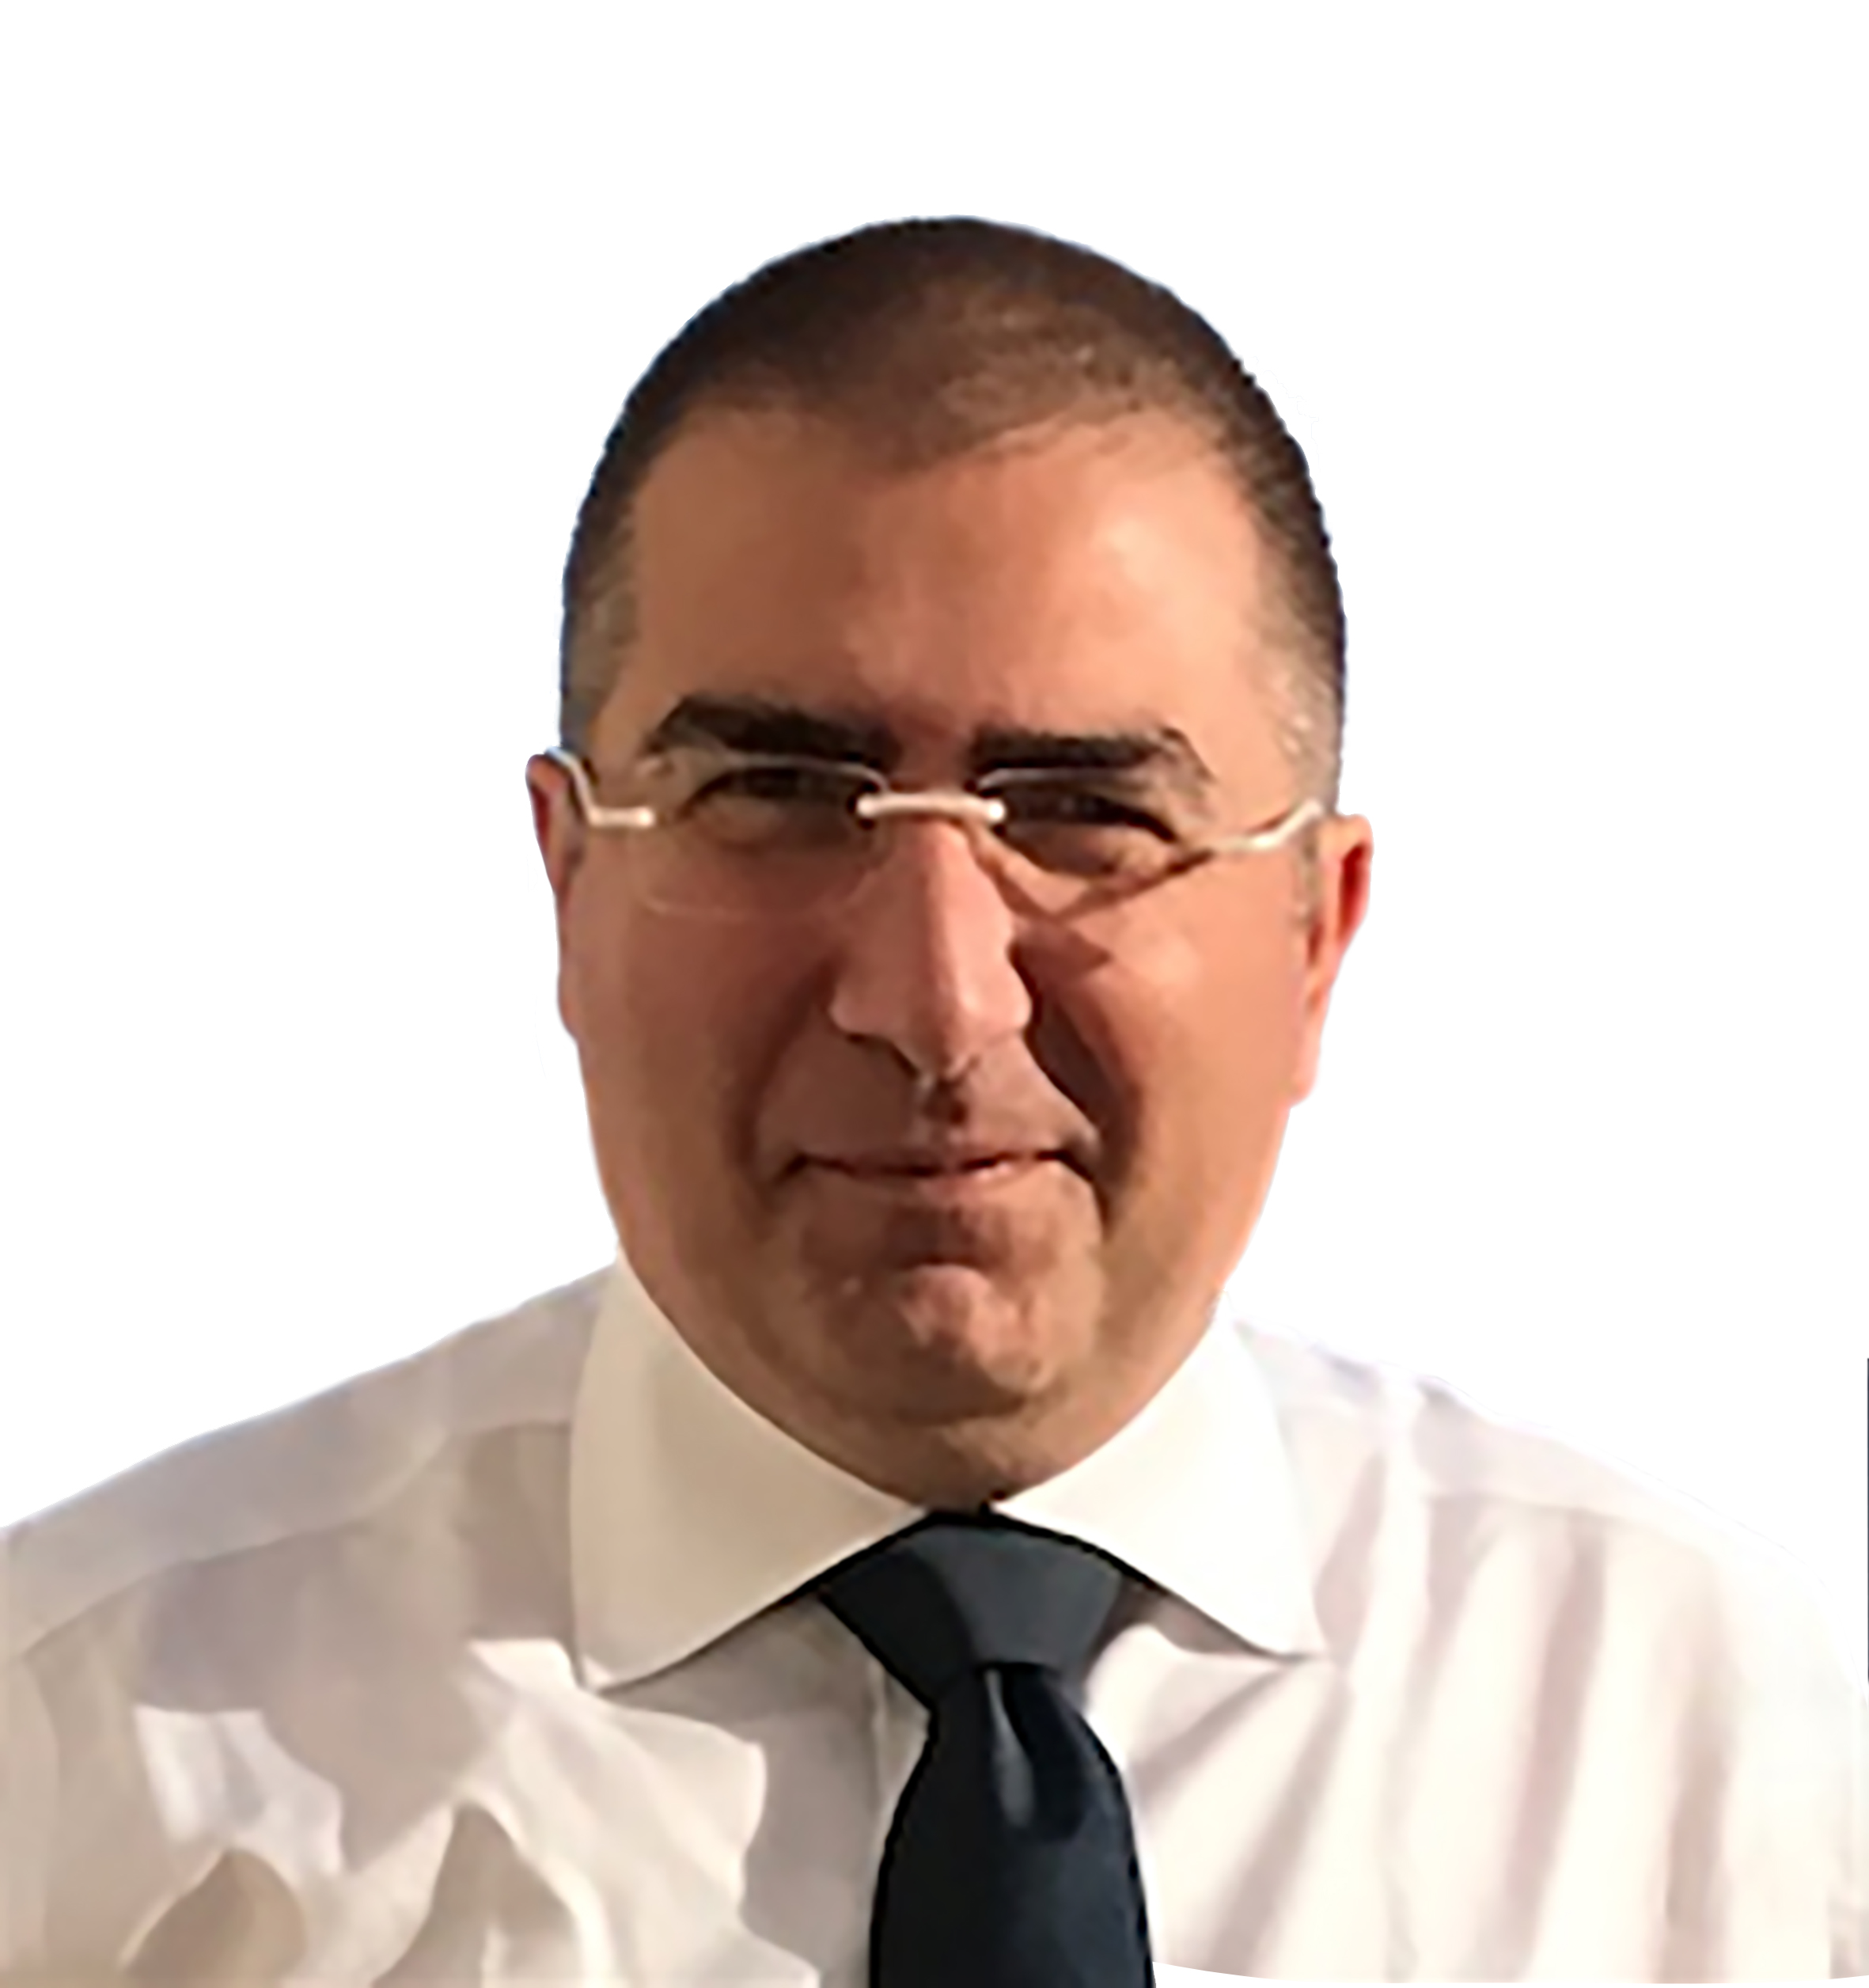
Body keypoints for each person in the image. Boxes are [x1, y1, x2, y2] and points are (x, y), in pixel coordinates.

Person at [2, 215, 1861, 1986]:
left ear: (1316, 930)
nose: (932, 997)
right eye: (777, 797)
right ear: (568, 886)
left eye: (1083, 812)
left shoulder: (1703, 1774)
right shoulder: (90, 1770)